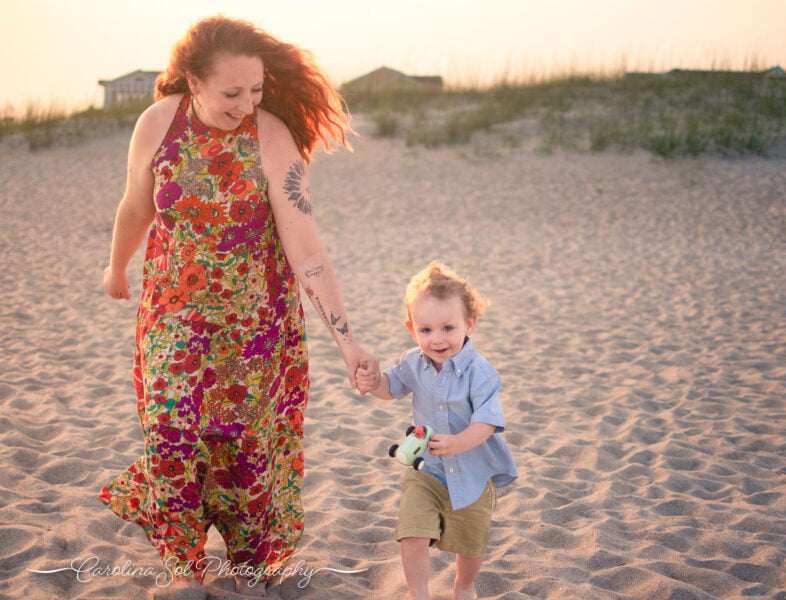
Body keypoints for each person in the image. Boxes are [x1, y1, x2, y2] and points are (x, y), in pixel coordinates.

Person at [98, 16, 377, 596]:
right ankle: (184, 564)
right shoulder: (158, 122)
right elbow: (136, 205)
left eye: (256, 90)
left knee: (244, 447)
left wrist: (348, 343)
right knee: (170, 431)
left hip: (254, 325)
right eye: (232, 93)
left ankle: (250, 564)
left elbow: (306, 248)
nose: (247, 104)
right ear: (193, 82)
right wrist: (116, 266)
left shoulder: (271, 138)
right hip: (172, 313)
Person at [356, 261, 517, 600]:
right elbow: (390, 387)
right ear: (411, 329)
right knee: (412, 532)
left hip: (473, 473)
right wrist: (373, 382)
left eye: (448, 328)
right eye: (426, 330)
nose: (437, 339)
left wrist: (459, 442)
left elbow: (488, 421)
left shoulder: (481, 372)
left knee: (470, 542)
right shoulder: (412, 363)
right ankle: (419, 593)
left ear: (469, 324)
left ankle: (464, 586)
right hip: (427, 471)